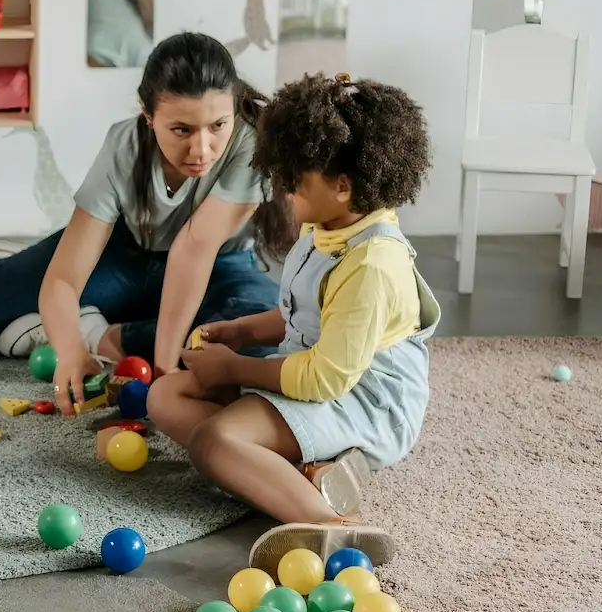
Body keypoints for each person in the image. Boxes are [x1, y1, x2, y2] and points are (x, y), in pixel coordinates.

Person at [146, 73, 439, 572]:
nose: (283, 188)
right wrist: (242, 332)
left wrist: (235, 368)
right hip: (315, 377)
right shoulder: (324, 225)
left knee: (215, 441)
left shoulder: (372, 263)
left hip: (364, 400)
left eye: (295, 180)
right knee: (165, 396)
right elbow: (301, 314)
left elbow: (325, 377)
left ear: (343, 186)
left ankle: (332, 526)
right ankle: (307, 472)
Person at [0, 32, 293, 413]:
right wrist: (69, 350)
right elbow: (64, 279)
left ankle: (103, 334)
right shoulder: (124, 146)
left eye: (217, 125)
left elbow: (194, 249)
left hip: (219, 264)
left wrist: (164, 373)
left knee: (262, 339)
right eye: (181, 130)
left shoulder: (251, 140)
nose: (202, 149)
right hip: (128, 255)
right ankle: (50, 293)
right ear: (148, 115)